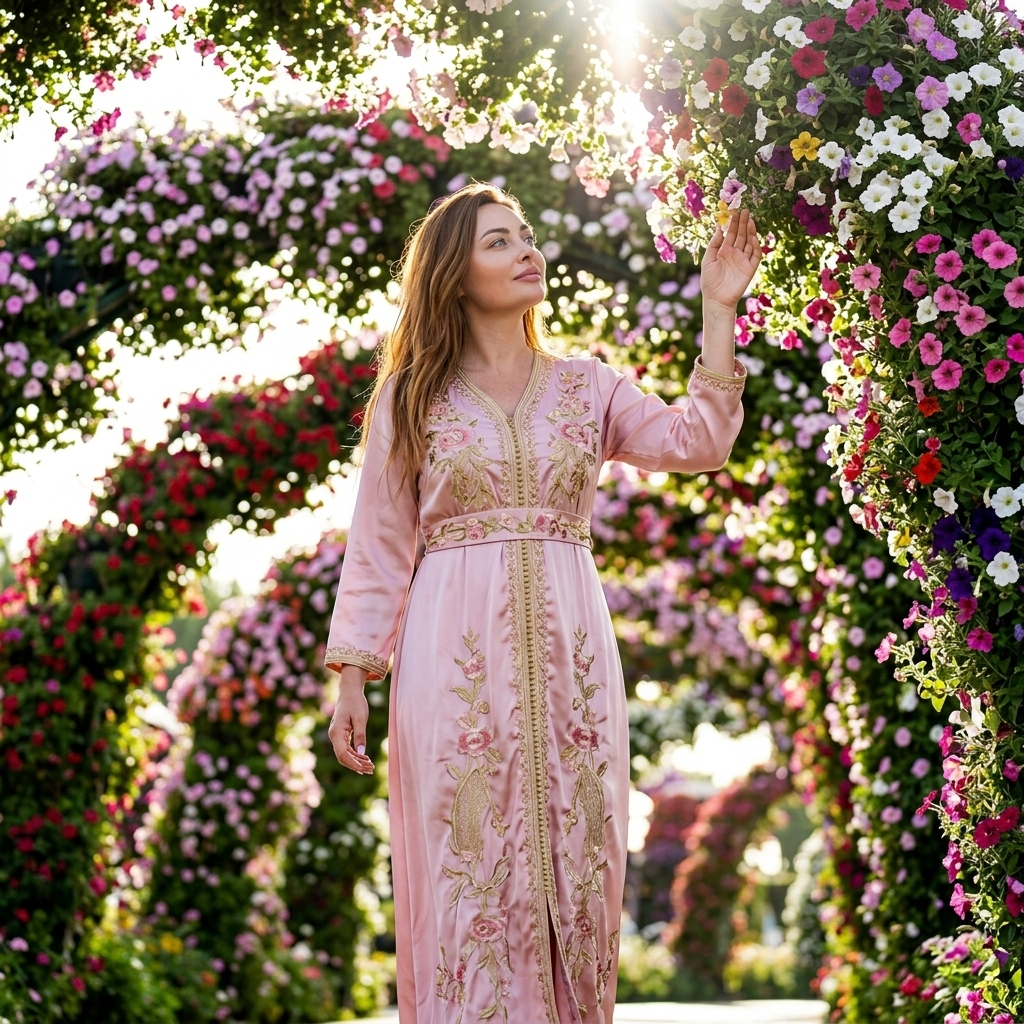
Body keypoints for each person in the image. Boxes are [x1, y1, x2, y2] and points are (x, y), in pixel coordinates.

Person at [326, 182, 760, 1023]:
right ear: (454, 275)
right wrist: (353, 675)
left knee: (578, 851)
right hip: (453, 660)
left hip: (573, 656)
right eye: (499, 241)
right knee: (470, 862)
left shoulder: (587, 387)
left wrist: (718, 307)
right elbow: (380, 541)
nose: (527, 249)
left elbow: (699, 442)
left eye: (526, 234)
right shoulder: (411, 398)